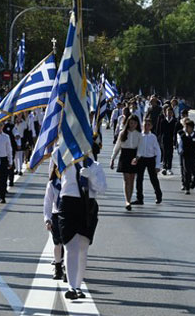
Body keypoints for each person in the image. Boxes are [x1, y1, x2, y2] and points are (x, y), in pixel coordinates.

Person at [58, 157, 107, 300]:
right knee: (70, 246)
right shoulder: (65, 160)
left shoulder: (95, 166)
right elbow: (55, 150)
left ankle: (78, 286)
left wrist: (91, 176)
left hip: (88, 205)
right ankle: (71, 287)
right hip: (68, 205)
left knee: (83, 248)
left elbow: (103, 188)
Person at [111, 114, 141, 210]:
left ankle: (130, 198)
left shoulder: (139, 134)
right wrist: (112, 159)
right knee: (126, 179)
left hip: (134, 156)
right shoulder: (122, 133)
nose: (133, 125)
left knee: (132, 179)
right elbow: (117, 146)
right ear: (128, 123)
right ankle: (127, 201)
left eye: (135, 123)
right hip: (124, 156)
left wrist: (137, 157)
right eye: (131, 123)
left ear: (137, 124)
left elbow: (140, 148)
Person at [43, 162, 67, 281]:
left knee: (68, 243)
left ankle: (67, 268)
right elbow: (47, 202)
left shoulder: (71, 184)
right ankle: (58, 267)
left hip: (69, 215)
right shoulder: (52, 184)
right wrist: (47, 219)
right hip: (56, 215)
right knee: (57, 243)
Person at [134, 116, 163, 205]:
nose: (146, 126)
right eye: (145, 124)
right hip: (141, 159)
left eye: (148, 125)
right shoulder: (139, 135)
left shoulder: (153, 137)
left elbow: (158, 151)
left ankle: (158, 195)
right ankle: (139, 198)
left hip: (150, 159)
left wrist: (158, 165)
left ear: (151, 126)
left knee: (153, 178)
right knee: (139, 179)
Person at [177, 119, 195, 195]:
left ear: (192, 128)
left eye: (188, 127)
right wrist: (180, 151)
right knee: (187, 171)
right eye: (185, 127)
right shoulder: (183, 136)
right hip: (185, 155)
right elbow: (180, 145)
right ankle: (187, 188)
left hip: (193, 155)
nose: (186, 129)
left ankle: (193, 181)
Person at [156, 106, 180, 175]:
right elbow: (160, 131)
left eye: (170, 112)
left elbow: (176, 132)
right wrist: (159, 139)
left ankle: (169, 168)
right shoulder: (163, 121)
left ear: (172, 113)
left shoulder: (175, 121)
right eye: (168, 112)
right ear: (165, 113)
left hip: (171, 139)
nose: (169, 114)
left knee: (170, 153)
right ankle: (164, 167)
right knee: (164, 153)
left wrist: (176, 141)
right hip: (164, 139)